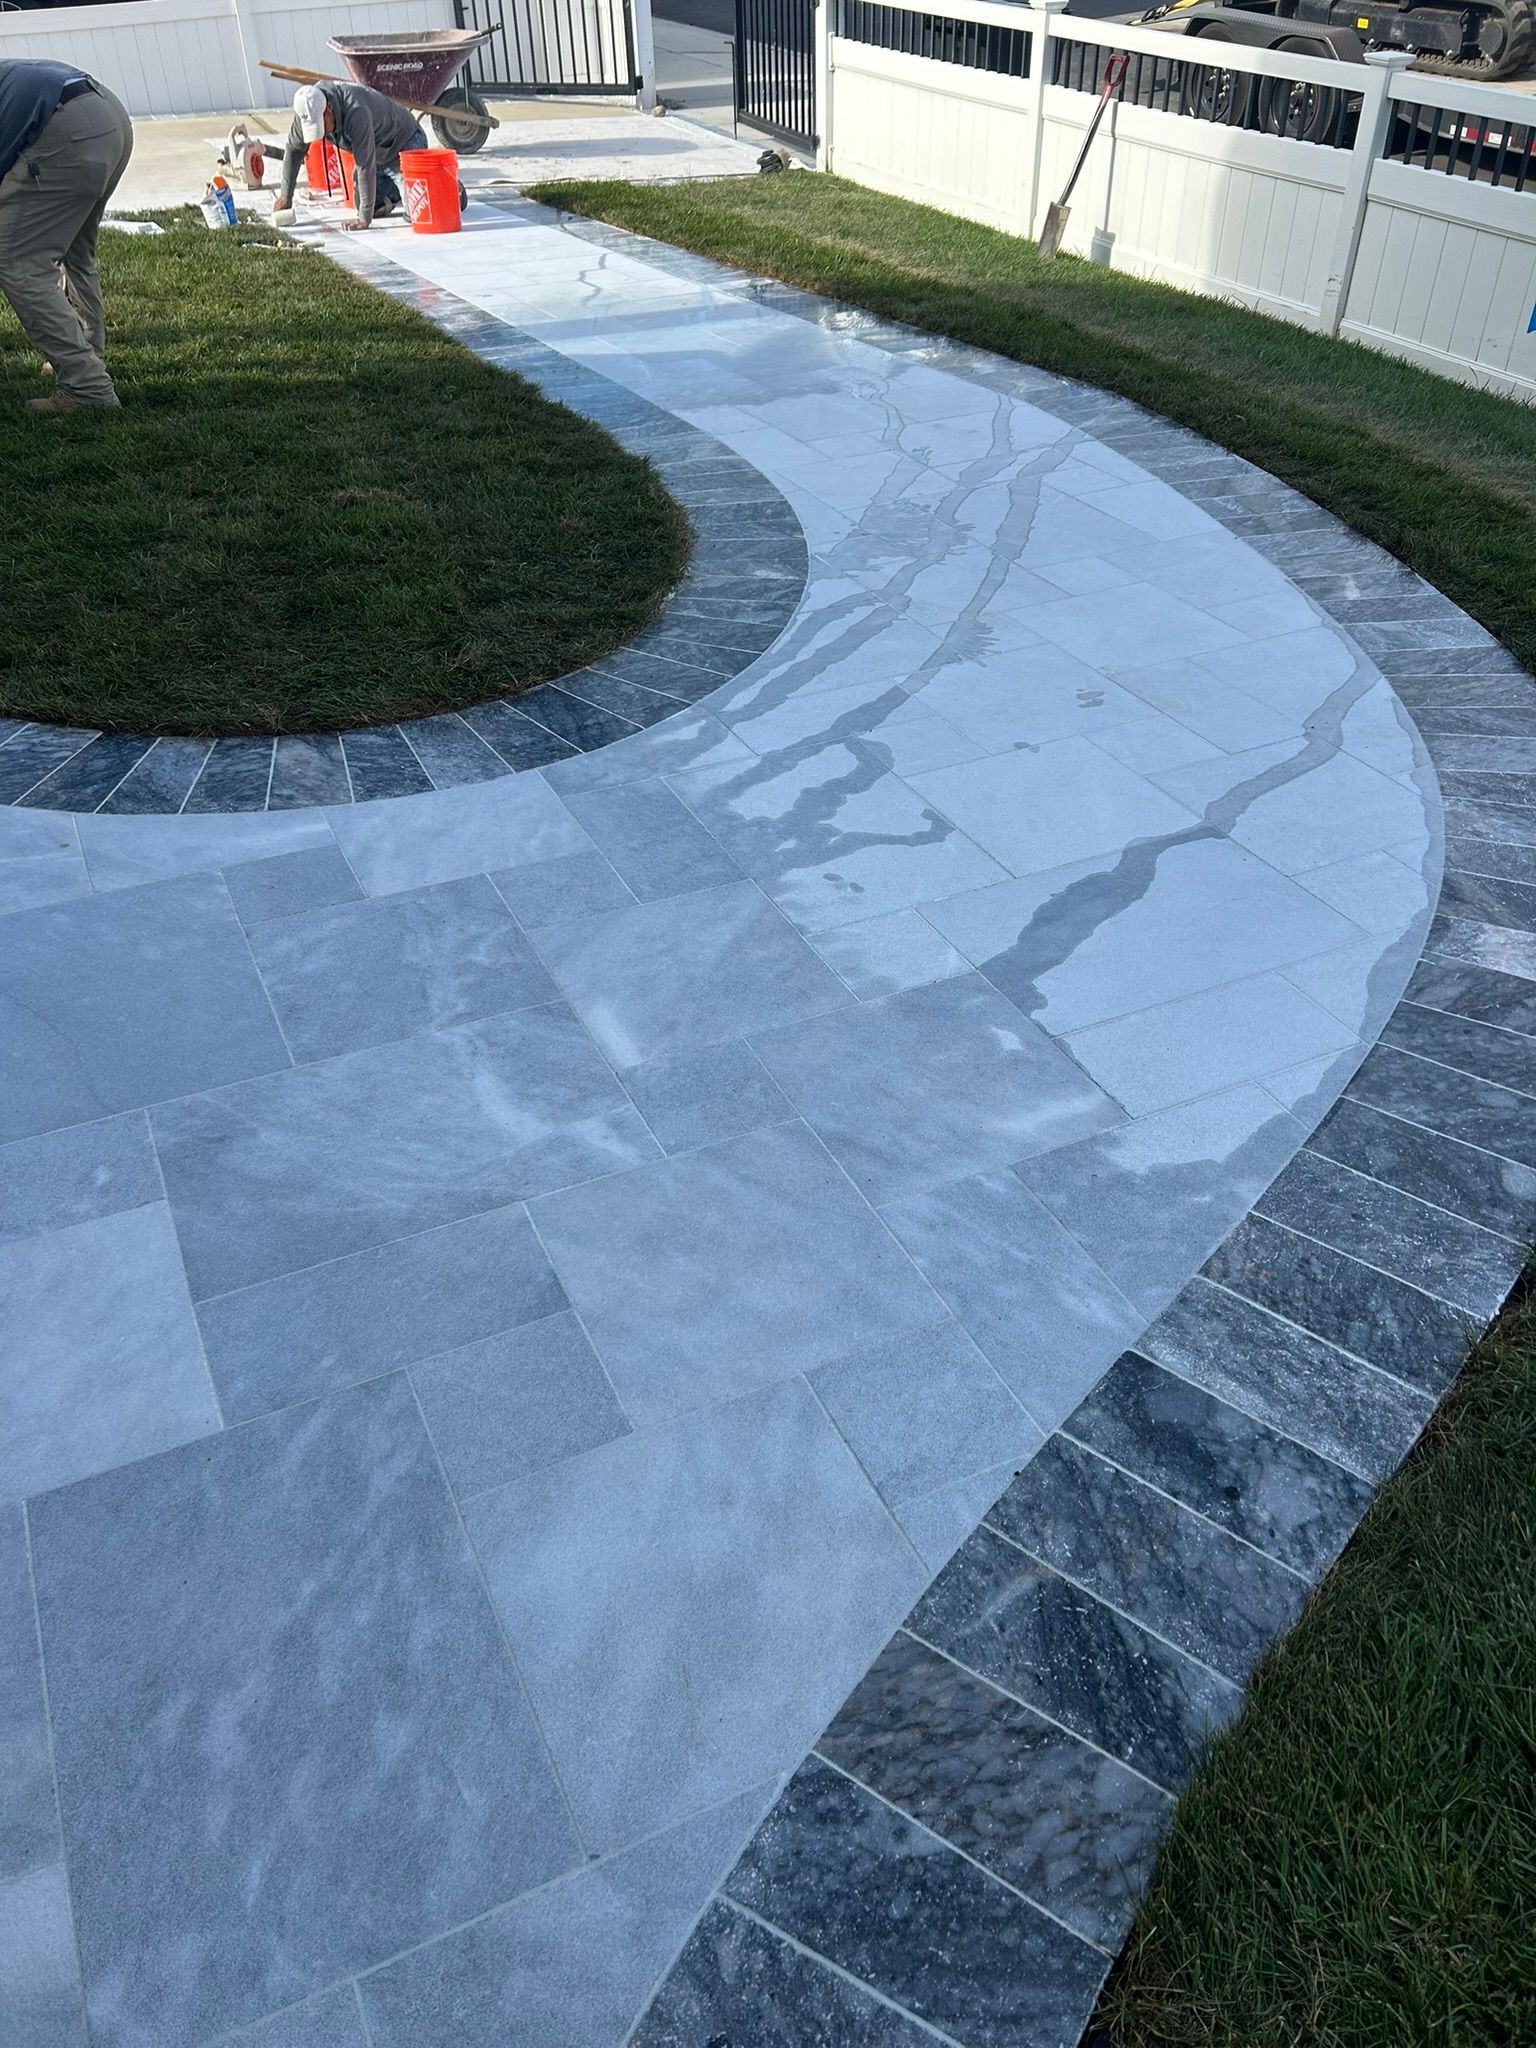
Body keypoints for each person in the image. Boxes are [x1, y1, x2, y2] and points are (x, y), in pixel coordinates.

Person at [0, 59, 134, 413]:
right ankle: (86, 350)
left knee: (18, 262)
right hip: (107, 113)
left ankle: (86, 387)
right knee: (77, 252)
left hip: (64, 127)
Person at [275, 83, 424, 232]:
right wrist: (285, 195)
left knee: (418, 213)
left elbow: (364, 165)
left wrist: (364, 220)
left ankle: (410, 185)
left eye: (322, 124)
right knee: (362, 203)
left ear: (329, 108)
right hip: (378, 155)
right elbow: (294, 150)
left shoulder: (356, 110)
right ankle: (394, 190)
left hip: (404, 143)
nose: (322, 131)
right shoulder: (306, 110)